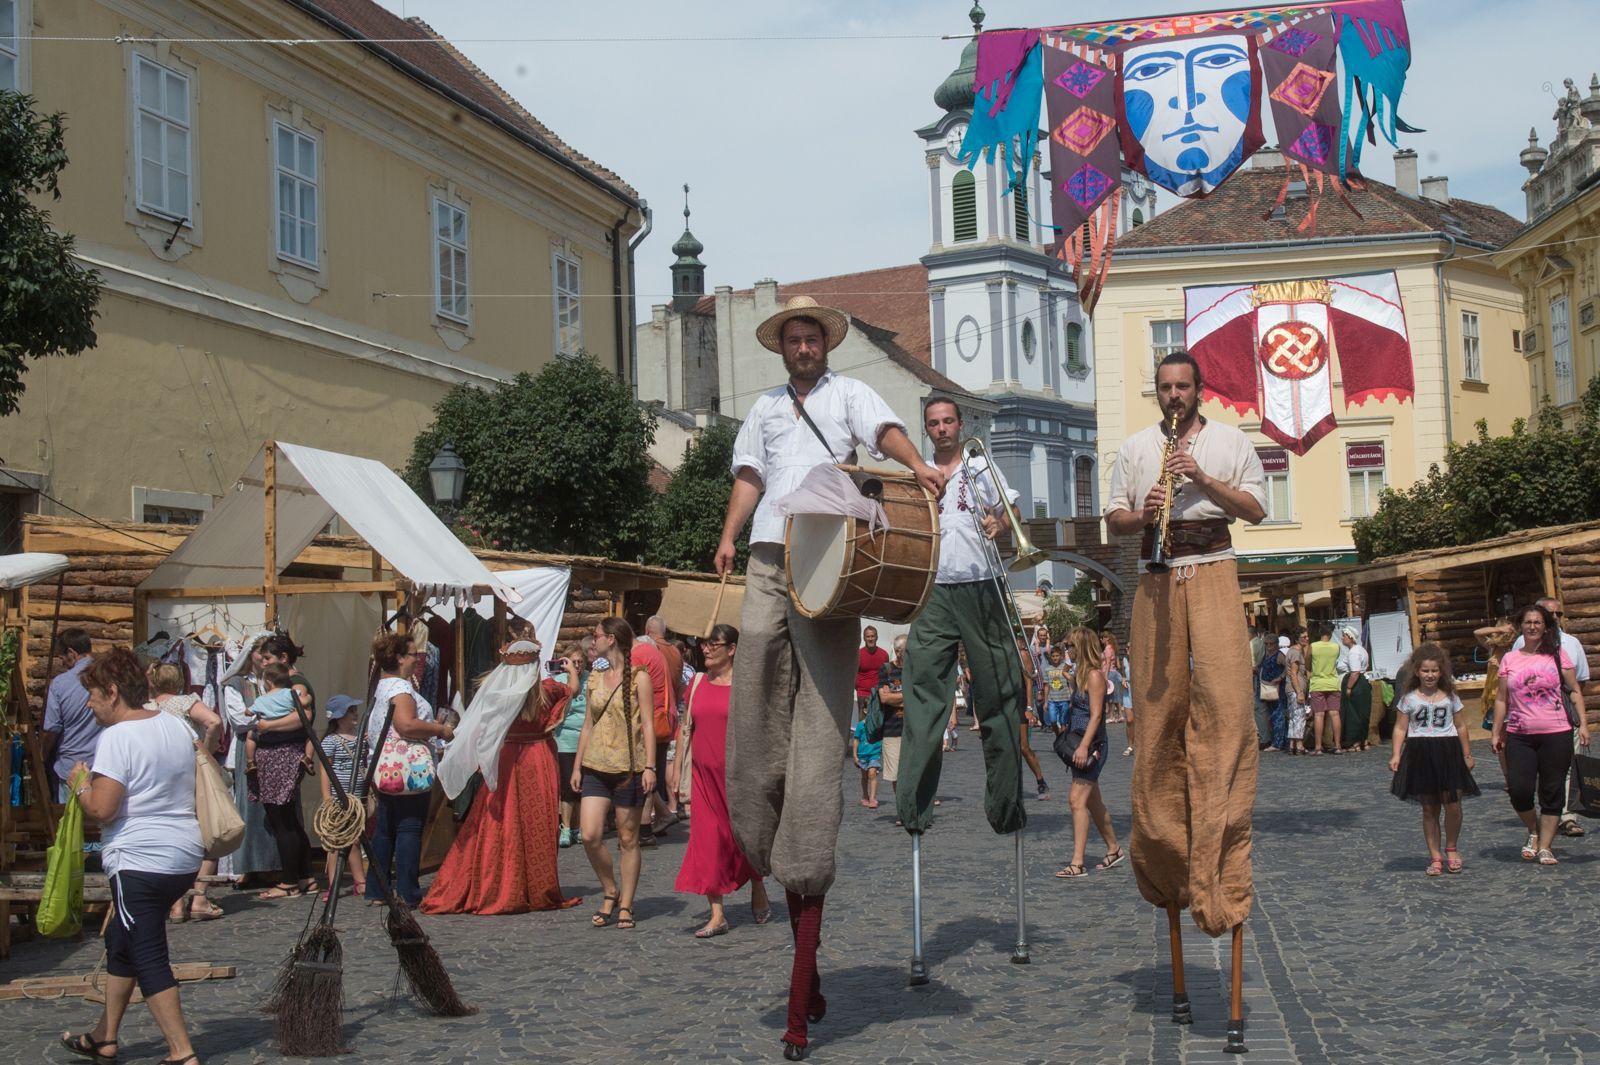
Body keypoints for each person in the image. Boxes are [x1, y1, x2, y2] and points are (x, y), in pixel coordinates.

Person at [714, 295, 944, 1059]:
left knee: (816, 743)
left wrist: (917, 467)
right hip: (770, 561)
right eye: (795, 337)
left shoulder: (850, 394)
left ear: (823, 344)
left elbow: (886, 433)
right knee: (752, 697)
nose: (804, 345)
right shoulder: (765, 408)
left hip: (835, 566)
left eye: (812, 336)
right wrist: (727, 533)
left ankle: (801, 969)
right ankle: (766, 835)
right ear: (782, 347)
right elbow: (749, 475)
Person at [1106, 350, 1266, 945]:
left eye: (1182, 387)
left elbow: (1253, 508)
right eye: (1165, 387)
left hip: (1214, 568)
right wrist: (1140, 513)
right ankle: (1167, 857)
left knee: (1228, 711)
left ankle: (1220, 862)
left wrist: (1200, 478)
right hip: (1156, 573)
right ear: (1158, 392)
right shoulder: (1136, 448)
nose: (1174, 395)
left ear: (1200, 389)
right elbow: (1112, 521)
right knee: (1157, 715)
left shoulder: (1229, 441)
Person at [59, 648, 202, 1065]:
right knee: (119, 939)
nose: (89, 704)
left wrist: (81, 785)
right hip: (183, 854)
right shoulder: (174, 724)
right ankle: (105, 1037)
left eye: (93, 695)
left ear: (114, 692)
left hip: (141, 858)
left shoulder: (117, 737)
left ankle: (181, 1051)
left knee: (147, 951)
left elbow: (103, 809)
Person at [899, 397, 1028, 844]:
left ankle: (1005, 803)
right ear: (927, 429)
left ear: (960, 424)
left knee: (1000, 691)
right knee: (921, 686)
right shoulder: (917, 473)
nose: (941, 429)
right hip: (934, 588)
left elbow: (1010, 515)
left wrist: (999, 523)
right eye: (933, 423)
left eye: (948, 421)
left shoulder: (980, 465)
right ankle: (913, 804)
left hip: (981, 583)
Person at [424, 635, 582, 915]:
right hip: (537, 759)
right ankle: (534, 887)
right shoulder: (547, 690)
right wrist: (571, 671)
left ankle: (497, 882)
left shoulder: (493, 690)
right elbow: (573, 690)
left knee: (500, 821)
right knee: (536, 822)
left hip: (507, 758)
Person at [674, 624, 770, 937]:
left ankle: (758, 884)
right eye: (704, 644)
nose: (706, 649)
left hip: (738, 777)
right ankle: (717, 914)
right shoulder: (698, 683)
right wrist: (677, 770)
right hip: (703, 776)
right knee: (707, 840)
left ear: (732, 649)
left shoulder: (747, 686)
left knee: (742, 837)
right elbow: (685, 728)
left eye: (715, 644)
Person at [1492, 602, 1592, 865]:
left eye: (1538, 622)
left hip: (1556, 732)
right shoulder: (1510, 659)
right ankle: (1533, 830)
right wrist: (1496, 731)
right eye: (1528, 622)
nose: (1533, 626)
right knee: (1519, 790)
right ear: (1520, 626)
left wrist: (1583, 723)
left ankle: (1545, 845)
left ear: (1546, 626)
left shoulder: (1557, 656)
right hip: (1520, 733)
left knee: (1552, 789)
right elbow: (1502, 698)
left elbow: (1574, 691)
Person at [572, 617, 655, 930]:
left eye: (597, 636)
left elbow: (647, 723)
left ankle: (625, 904)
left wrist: (650, 766)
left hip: (629, 766)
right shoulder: (595, 676)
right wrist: (578, 765)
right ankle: (610, 888)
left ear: (613, 639)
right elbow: (588, 725)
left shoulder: (639, 678)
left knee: (627, 837)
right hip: (595, 764)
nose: (594, 641)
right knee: (591, 834)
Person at [366, 631, 453, 908]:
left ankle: (377, 889)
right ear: (400, 658)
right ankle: (407, 890)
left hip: (385, 763)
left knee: (386, 827)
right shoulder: (401, 690)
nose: (417, 659)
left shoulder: (382, 685)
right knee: (408, 828)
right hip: (405, 765)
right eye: (413, 654)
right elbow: (406, 725)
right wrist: (440, 729)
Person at [1388, 644, 1479, 875]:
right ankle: (1435, 856)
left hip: (1447, 750)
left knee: (1453, 804)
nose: (1430, 675)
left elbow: (1460, 726)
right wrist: (1396, 754)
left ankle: (1452, 847)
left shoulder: (1450, 697)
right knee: (1429, 808)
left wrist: (1467, 753)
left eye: (1434, 671)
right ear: (1417, 671)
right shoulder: (1409, 699)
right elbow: (1400, 728)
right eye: (1426, 671)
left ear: (1441, 672)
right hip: (1420, 751)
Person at [147, 664, 225, 922]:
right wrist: (206, 751)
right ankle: (199, 899)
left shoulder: (147, 708)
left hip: (159, 779)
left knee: (172, 834)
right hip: (191, 773)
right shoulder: (185, 701)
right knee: (209, 831)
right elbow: (213, 721)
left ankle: (176, 904)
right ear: (180, 682)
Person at [1052, 627, 1123, 879]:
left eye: (1070, 645)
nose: (1067, 649)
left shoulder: (1094, 676)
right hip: (1078, 740)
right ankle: (1114, 849)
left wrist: (1083, 746)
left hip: (1091, 746)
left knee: (1076, 800)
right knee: (1093, 802)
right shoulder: (1080, 675)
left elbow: (1096, 715)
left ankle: (1078, 863)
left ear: (1082, 646)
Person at [243, 662, 316, 900]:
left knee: (281, 822)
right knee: (289, 820)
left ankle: (289, 881)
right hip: (289, 755)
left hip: (275, 757)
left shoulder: (269, 698)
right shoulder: (292, 695)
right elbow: (305, 708)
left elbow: (305, 716)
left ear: (268, 681)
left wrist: (266, 725)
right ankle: (305, 876)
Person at [315, 695, 366, 902]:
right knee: (335, 842)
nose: (355, 714)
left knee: (355, 839)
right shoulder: (331, 741)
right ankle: (333, 882)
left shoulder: (360, 738)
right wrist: (327, 796)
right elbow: (325, 768)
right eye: (351, 711)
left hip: (357, 796)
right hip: (338, 797)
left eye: (354, 710)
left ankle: (359, 880)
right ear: (339, 716)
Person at [42, 628, 99, 801]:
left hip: (71, 768)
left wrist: (41, 756)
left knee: (70, 825)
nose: (63, 664)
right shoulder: (109, 676)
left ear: (71, 653)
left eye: (62, 658)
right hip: (104, 766)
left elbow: (51, 729)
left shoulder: (60, 684)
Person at [552, 639, 592, 848]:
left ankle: (577, 826)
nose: (578, 666)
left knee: (582, 788)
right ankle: (565, 827)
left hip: (587, 740)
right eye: (574, 662)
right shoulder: (559, 681)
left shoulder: (592, 680)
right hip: (566, 740)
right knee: (568, 786)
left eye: (581, 662)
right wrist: (572, 676)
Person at [878, 635, 908, 819]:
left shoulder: (915, 669)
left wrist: (895, 698)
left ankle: (911, 808)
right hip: (892, 728)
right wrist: (906, 697)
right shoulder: (886, 669)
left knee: (912, 771)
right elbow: (884, 698)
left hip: (912, 729)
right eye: (906, 651)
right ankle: (902, 810)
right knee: (896, 774)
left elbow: (919, 695)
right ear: (898, 652)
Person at [1307, 624, 1342, 754]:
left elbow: (1307, 662)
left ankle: (1318, 747)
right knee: (1335, 714)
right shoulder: (1336, 647)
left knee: (1319, 714)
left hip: (1318, 682)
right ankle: (1338, 746)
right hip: (1333, 682)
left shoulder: (1313, 646)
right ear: (1331, 634)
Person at [1339, 627, 1373, 752]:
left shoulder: (1354, 652)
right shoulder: (1361, 649)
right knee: (1362, 712)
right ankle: (1363, 741)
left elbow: (1355, 672)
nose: (1342, 638)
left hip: (1357, 684)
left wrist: (1349, 687)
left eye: (1344, 636)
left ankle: (1356, 743)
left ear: (1350, 638)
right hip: (1362, 682)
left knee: (1354, 713)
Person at [854, 627, 889, 733]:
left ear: (876, 637)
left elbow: (887, 674)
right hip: (863, 694)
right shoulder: (858, 654)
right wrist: (859, 687)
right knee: (863, 723)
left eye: (872, 636)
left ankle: (876, 747)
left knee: (878, 722)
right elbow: (854, 673)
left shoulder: (884, 654)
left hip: (879, 694)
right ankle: (863, 747)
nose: (870, 639)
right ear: (864, 638)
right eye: (868, 636)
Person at [1258, 636, 1289, 753]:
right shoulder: (1266, 655)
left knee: (1278, 715)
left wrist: (1280, 677)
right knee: (1273, 715)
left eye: (1271, 644)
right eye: (1266, 644)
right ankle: (1281, 741)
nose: (1269, 646)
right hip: (1268, 688)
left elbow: (1288, 667)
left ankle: (1278, 742)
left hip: (1277, 688)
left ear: (1276, 644)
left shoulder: (1279, 655)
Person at [1286, 628, 1310, 755]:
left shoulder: (1294, 651)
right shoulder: (1295, 652)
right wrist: (1299, 692)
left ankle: (1292, 745)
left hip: (1292, 689)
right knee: (1299, 716)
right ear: (1297, 638)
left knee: (1293, 717)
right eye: (1304, 637)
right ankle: (1299, 745)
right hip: (1296, 688)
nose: (1307, 639)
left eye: (1307, 636)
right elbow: (1294, 674)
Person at [851, 711, 882, 809]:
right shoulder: (861, 725)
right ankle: (865, 795)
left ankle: (873, 798)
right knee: (864, 776)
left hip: (874, 754)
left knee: (872, 774)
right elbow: (856, 740)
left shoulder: (878, 724)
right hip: (862, 755)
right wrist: (855, 755)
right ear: (864, 710)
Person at [1041, 646, 1071, 730]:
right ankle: (1058, 735)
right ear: (1050, 657)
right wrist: (1046, 702)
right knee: (1053, 721)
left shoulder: (1065, 668)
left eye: (1057, 656)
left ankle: (1062, 740)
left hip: (1064, 698)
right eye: (1053, 656)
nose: (1055, 658)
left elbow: (1070, 684)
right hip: (1052, 700)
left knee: (1063, 722)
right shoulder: (1048, 670)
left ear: (1061, 656)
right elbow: (1046, 686)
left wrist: (1071, 699)